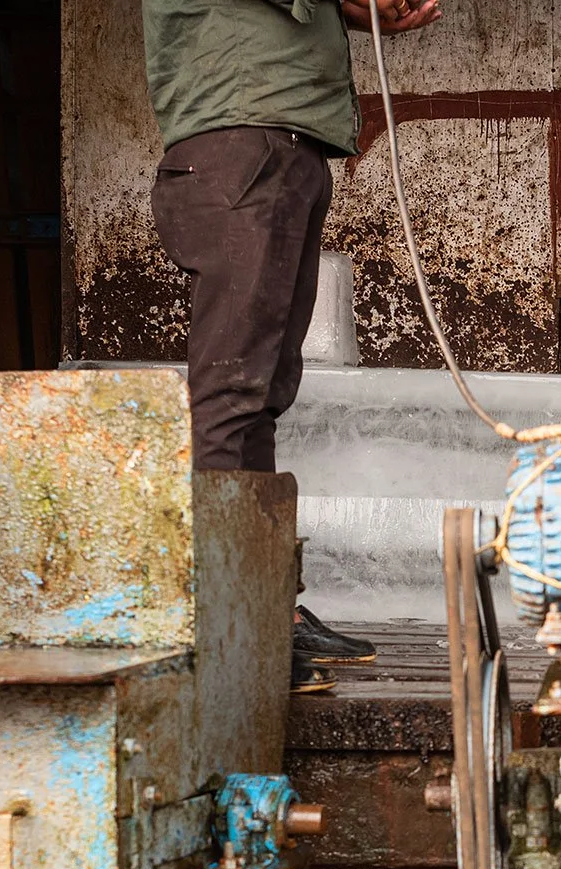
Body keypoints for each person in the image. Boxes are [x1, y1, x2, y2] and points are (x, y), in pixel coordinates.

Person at [144, 0, 441, 690]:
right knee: (228, 394)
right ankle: (227, 624)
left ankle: (263, 607)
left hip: (279, 140)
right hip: (241, 139)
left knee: (261, 394)